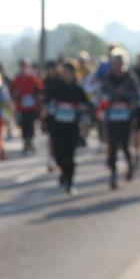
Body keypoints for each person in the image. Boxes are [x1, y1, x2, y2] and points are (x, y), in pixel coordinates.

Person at [46, 61, 92, 195]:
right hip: (58, 126)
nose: (66, 75)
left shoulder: (77, 89)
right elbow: (47, 101)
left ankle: (70, 183)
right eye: (64, 72)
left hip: (72, 126)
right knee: (59, 155)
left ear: (73, 73)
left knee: (70, 155)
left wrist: (78, 107)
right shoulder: (57, 87)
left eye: (68, 72)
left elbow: (86, 105)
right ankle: (64, 173)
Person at [100, 47, 140, 189]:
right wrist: (108, 101)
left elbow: (137, 96)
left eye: (120, 62)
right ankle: (113, 174)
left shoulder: (130, 77)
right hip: (111, 117)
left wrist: (125, 96)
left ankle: (130, 165)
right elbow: (102, 95)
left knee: (124, 144)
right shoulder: (108, 77)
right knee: (112, 145)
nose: (117, 64)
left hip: (126, 117)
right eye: (115, 62)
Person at [11, 58, 44, 155]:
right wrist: (15, 95)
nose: (23, 67)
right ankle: (25, 143)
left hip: (32, 106)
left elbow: (40, 88)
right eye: (22, 65)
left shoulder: (33, 77)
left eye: (25, 65)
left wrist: (37, 96)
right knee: (23, 125)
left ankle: (31, 142)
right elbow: (12, 90)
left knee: (31, 124)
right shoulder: (17, 78)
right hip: (21, 107)